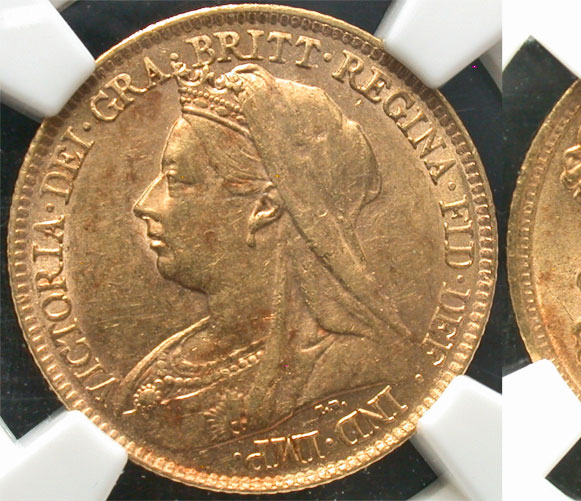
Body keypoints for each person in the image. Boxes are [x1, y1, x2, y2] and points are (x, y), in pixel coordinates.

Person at [118, 64, 417, 448]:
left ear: (264, 206)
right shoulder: (170, 357)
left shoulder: (353, 372)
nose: (145, 205)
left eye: (177, 181)